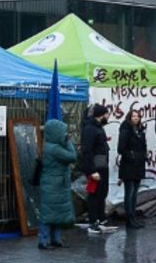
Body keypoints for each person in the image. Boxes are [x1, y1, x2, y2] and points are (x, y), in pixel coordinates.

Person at [38, 119, 78, 246]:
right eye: (62, 132)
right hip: (54, 183)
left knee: (55, 211)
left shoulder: (48, 146)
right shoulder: (54, 149)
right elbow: (72, 156)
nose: (64, 134)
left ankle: (54, 239)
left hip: (52, 183)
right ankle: (45, 240)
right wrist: (68, 141)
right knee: (49, 212)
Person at [80, 104, 116, 234]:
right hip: (95, 167)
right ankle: (93, 222)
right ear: (101, 115)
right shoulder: (90, 128)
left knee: (102, 193)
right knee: (94, 195)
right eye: (107, 114)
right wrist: (91, 171)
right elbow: (87, 150)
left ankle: (101, 220)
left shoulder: (98, 127)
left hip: (102, 165)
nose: (108, 116)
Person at [117, 108, 149, 228]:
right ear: (129, 118)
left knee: (135, 193)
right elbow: (121, 148)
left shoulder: (140, 130)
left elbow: (143, 145)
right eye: (133, 116)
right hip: (129, 165)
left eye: (138, 116)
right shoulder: (126, 130)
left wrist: (143, 156)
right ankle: (129, 218)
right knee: (129, 192)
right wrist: (132, 156)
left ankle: (133, 217)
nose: (136, 118)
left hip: (139, 164)